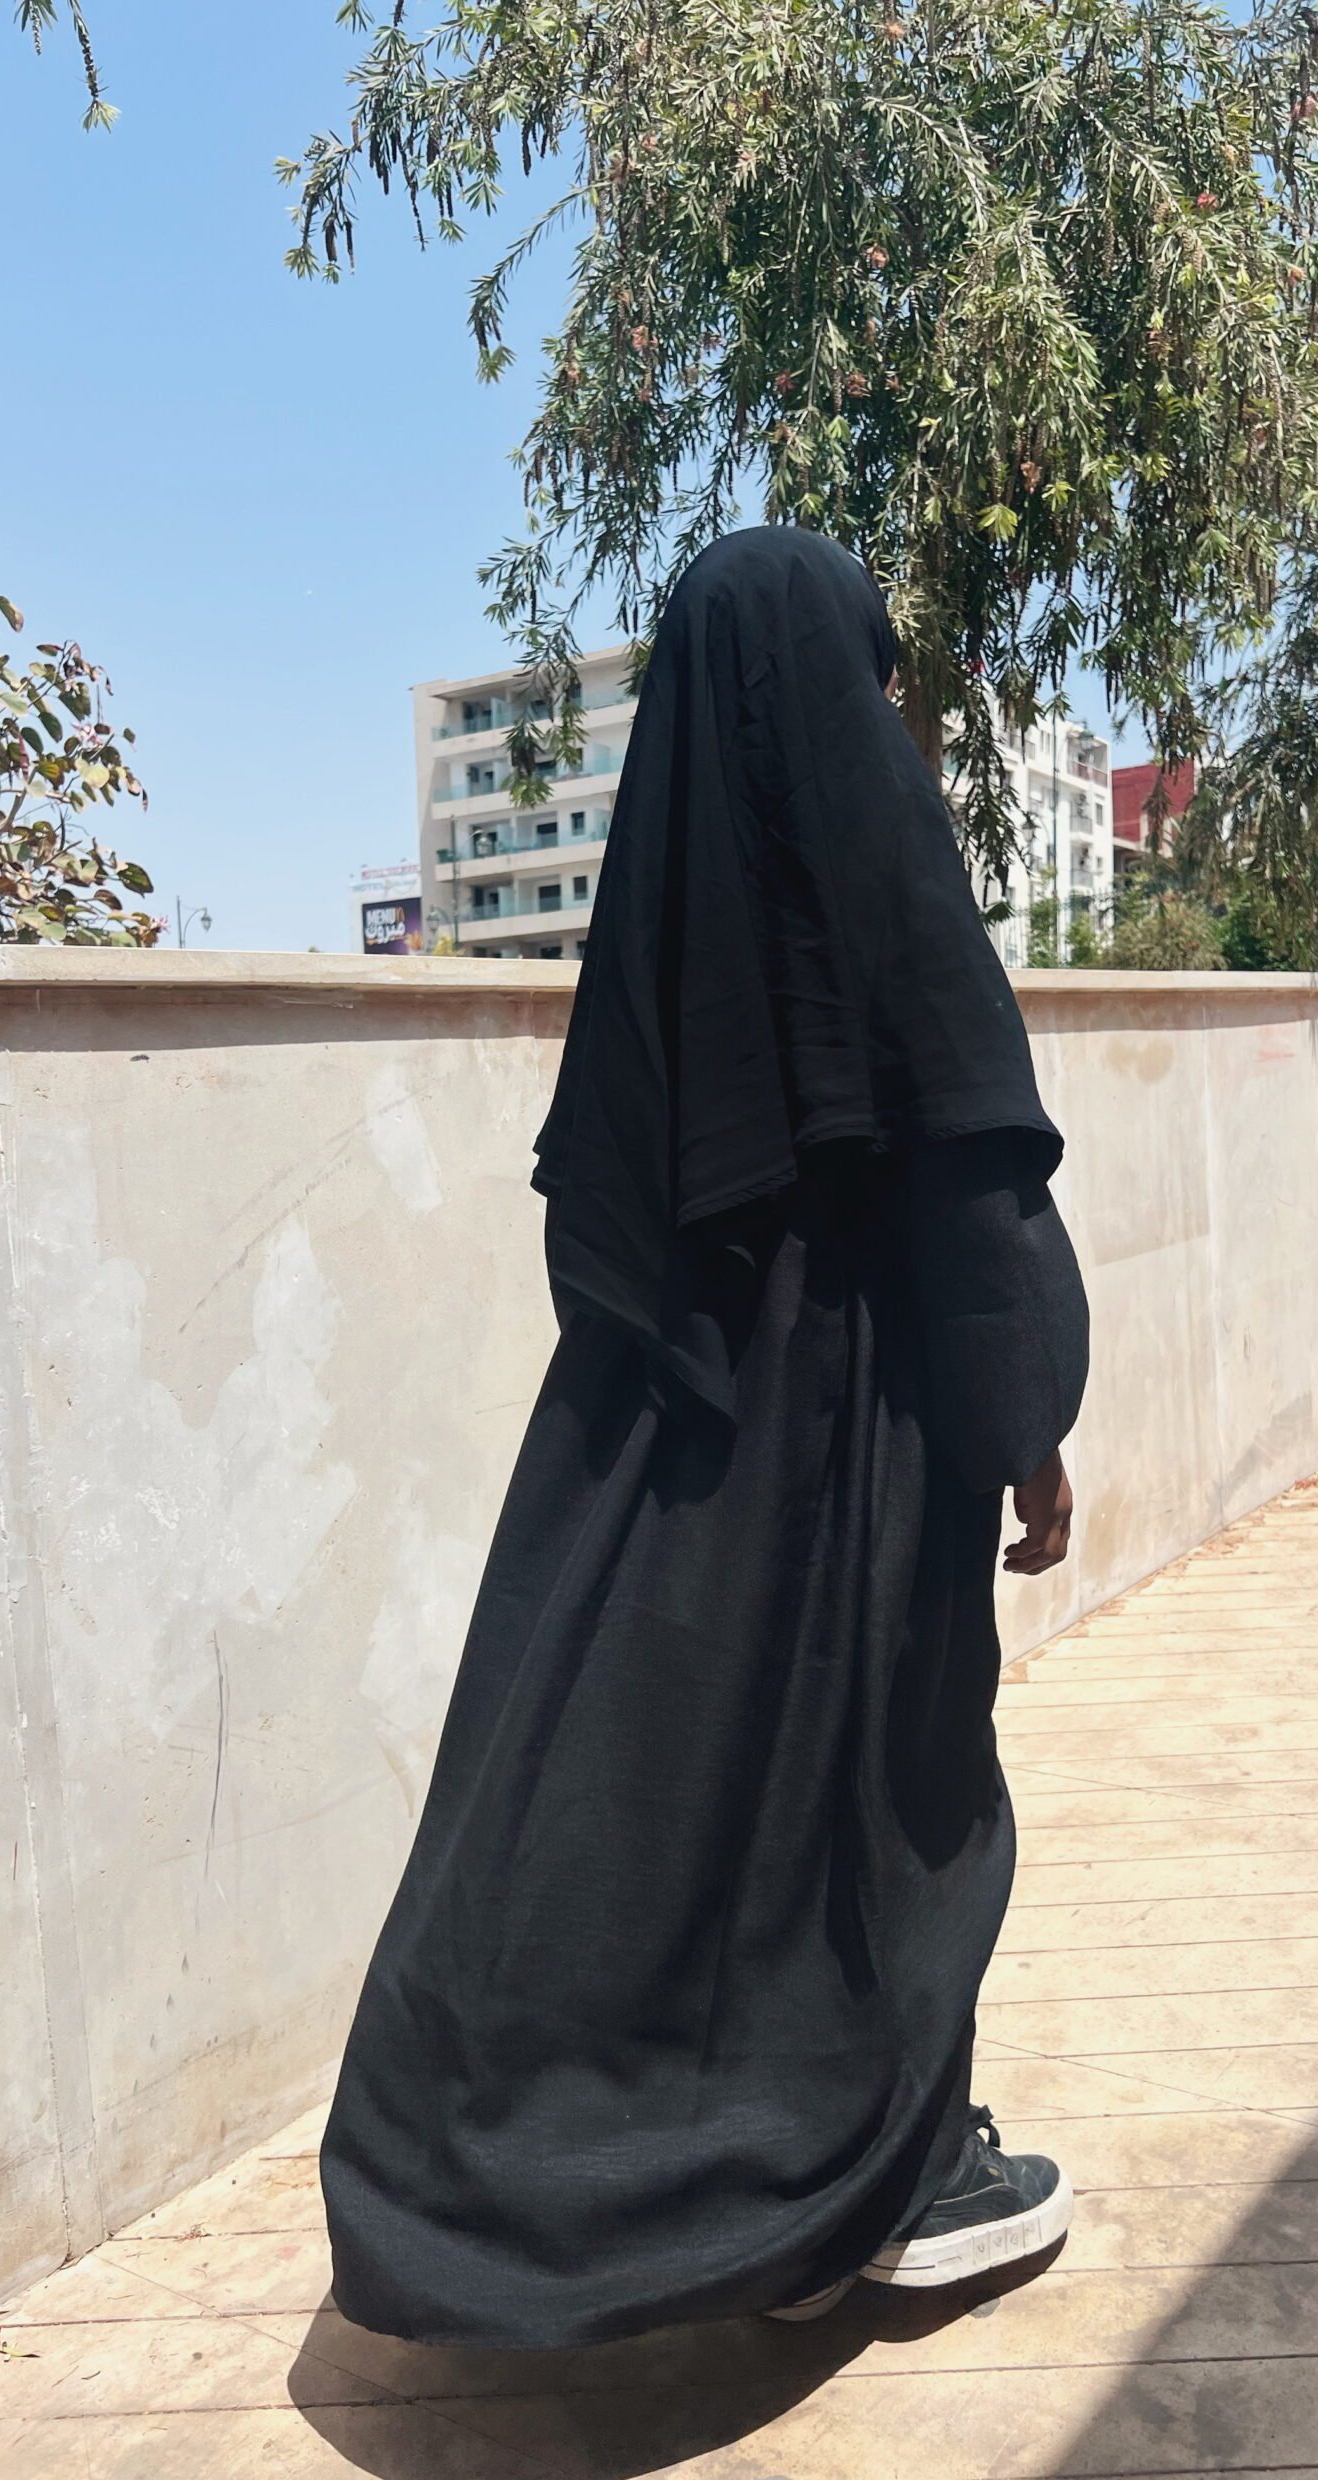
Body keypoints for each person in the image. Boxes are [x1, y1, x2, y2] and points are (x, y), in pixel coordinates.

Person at [322, 525, 1090, 2345]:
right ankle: (903, 2184)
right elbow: (969, 1172)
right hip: (872, 1429)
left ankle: (682, 2197)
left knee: (676, 1819)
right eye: (870, 686)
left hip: (675, 1434)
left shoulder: (666, 940)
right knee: (888, 1805)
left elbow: (602, 1214)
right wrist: (1026, 1430)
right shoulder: (885, 889)